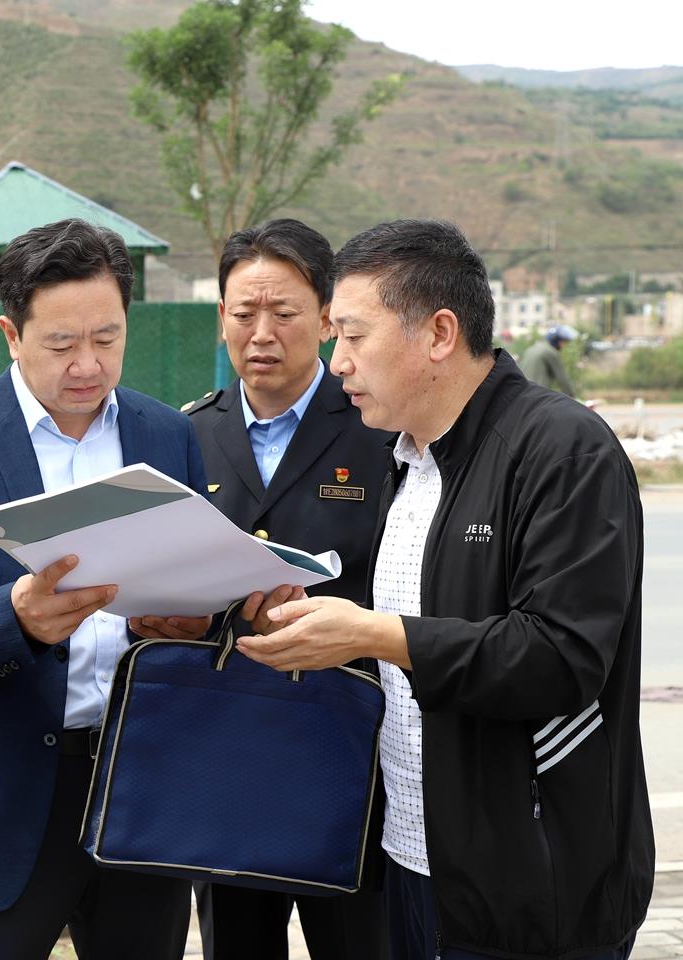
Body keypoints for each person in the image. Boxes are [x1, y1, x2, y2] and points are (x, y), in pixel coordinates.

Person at [240, 219, 653, 960]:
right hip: (413, 857)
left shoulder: (560, 450)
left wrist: (375, 634)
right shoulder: (404, 459)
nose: (337, 363)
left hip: (533, 883)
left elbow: (561, 657)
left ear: (438, 333)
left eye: (353, 336)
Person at [0, 218, 208, 960]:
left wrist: (194, 622)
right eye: (61, 343)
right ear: (11, 334)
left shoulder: (168, 436)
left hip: (139, 783)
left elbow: (195, 572)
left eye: (107, 338)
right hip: (1, 793)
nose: (88, 364)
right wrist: (12, 617)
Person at [183, 218, 391, 960]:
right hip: (226, 751)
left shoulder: (378, 429)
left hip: (349, 751)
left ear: (328, 318)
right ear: (222, 318)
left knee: (360, 942)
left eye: (284, 313)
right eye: (244, 313)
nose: (262, 333)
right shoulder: (187, 435)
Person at [520, 324, 577, 397]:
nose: (563, 346)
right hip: (538, 396)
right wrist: (572, 397)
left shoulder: (531, 349)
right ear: (556, 341)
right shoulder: (550, 352)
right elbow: (563, 380)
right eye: (563, 342)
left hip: (523, 393)